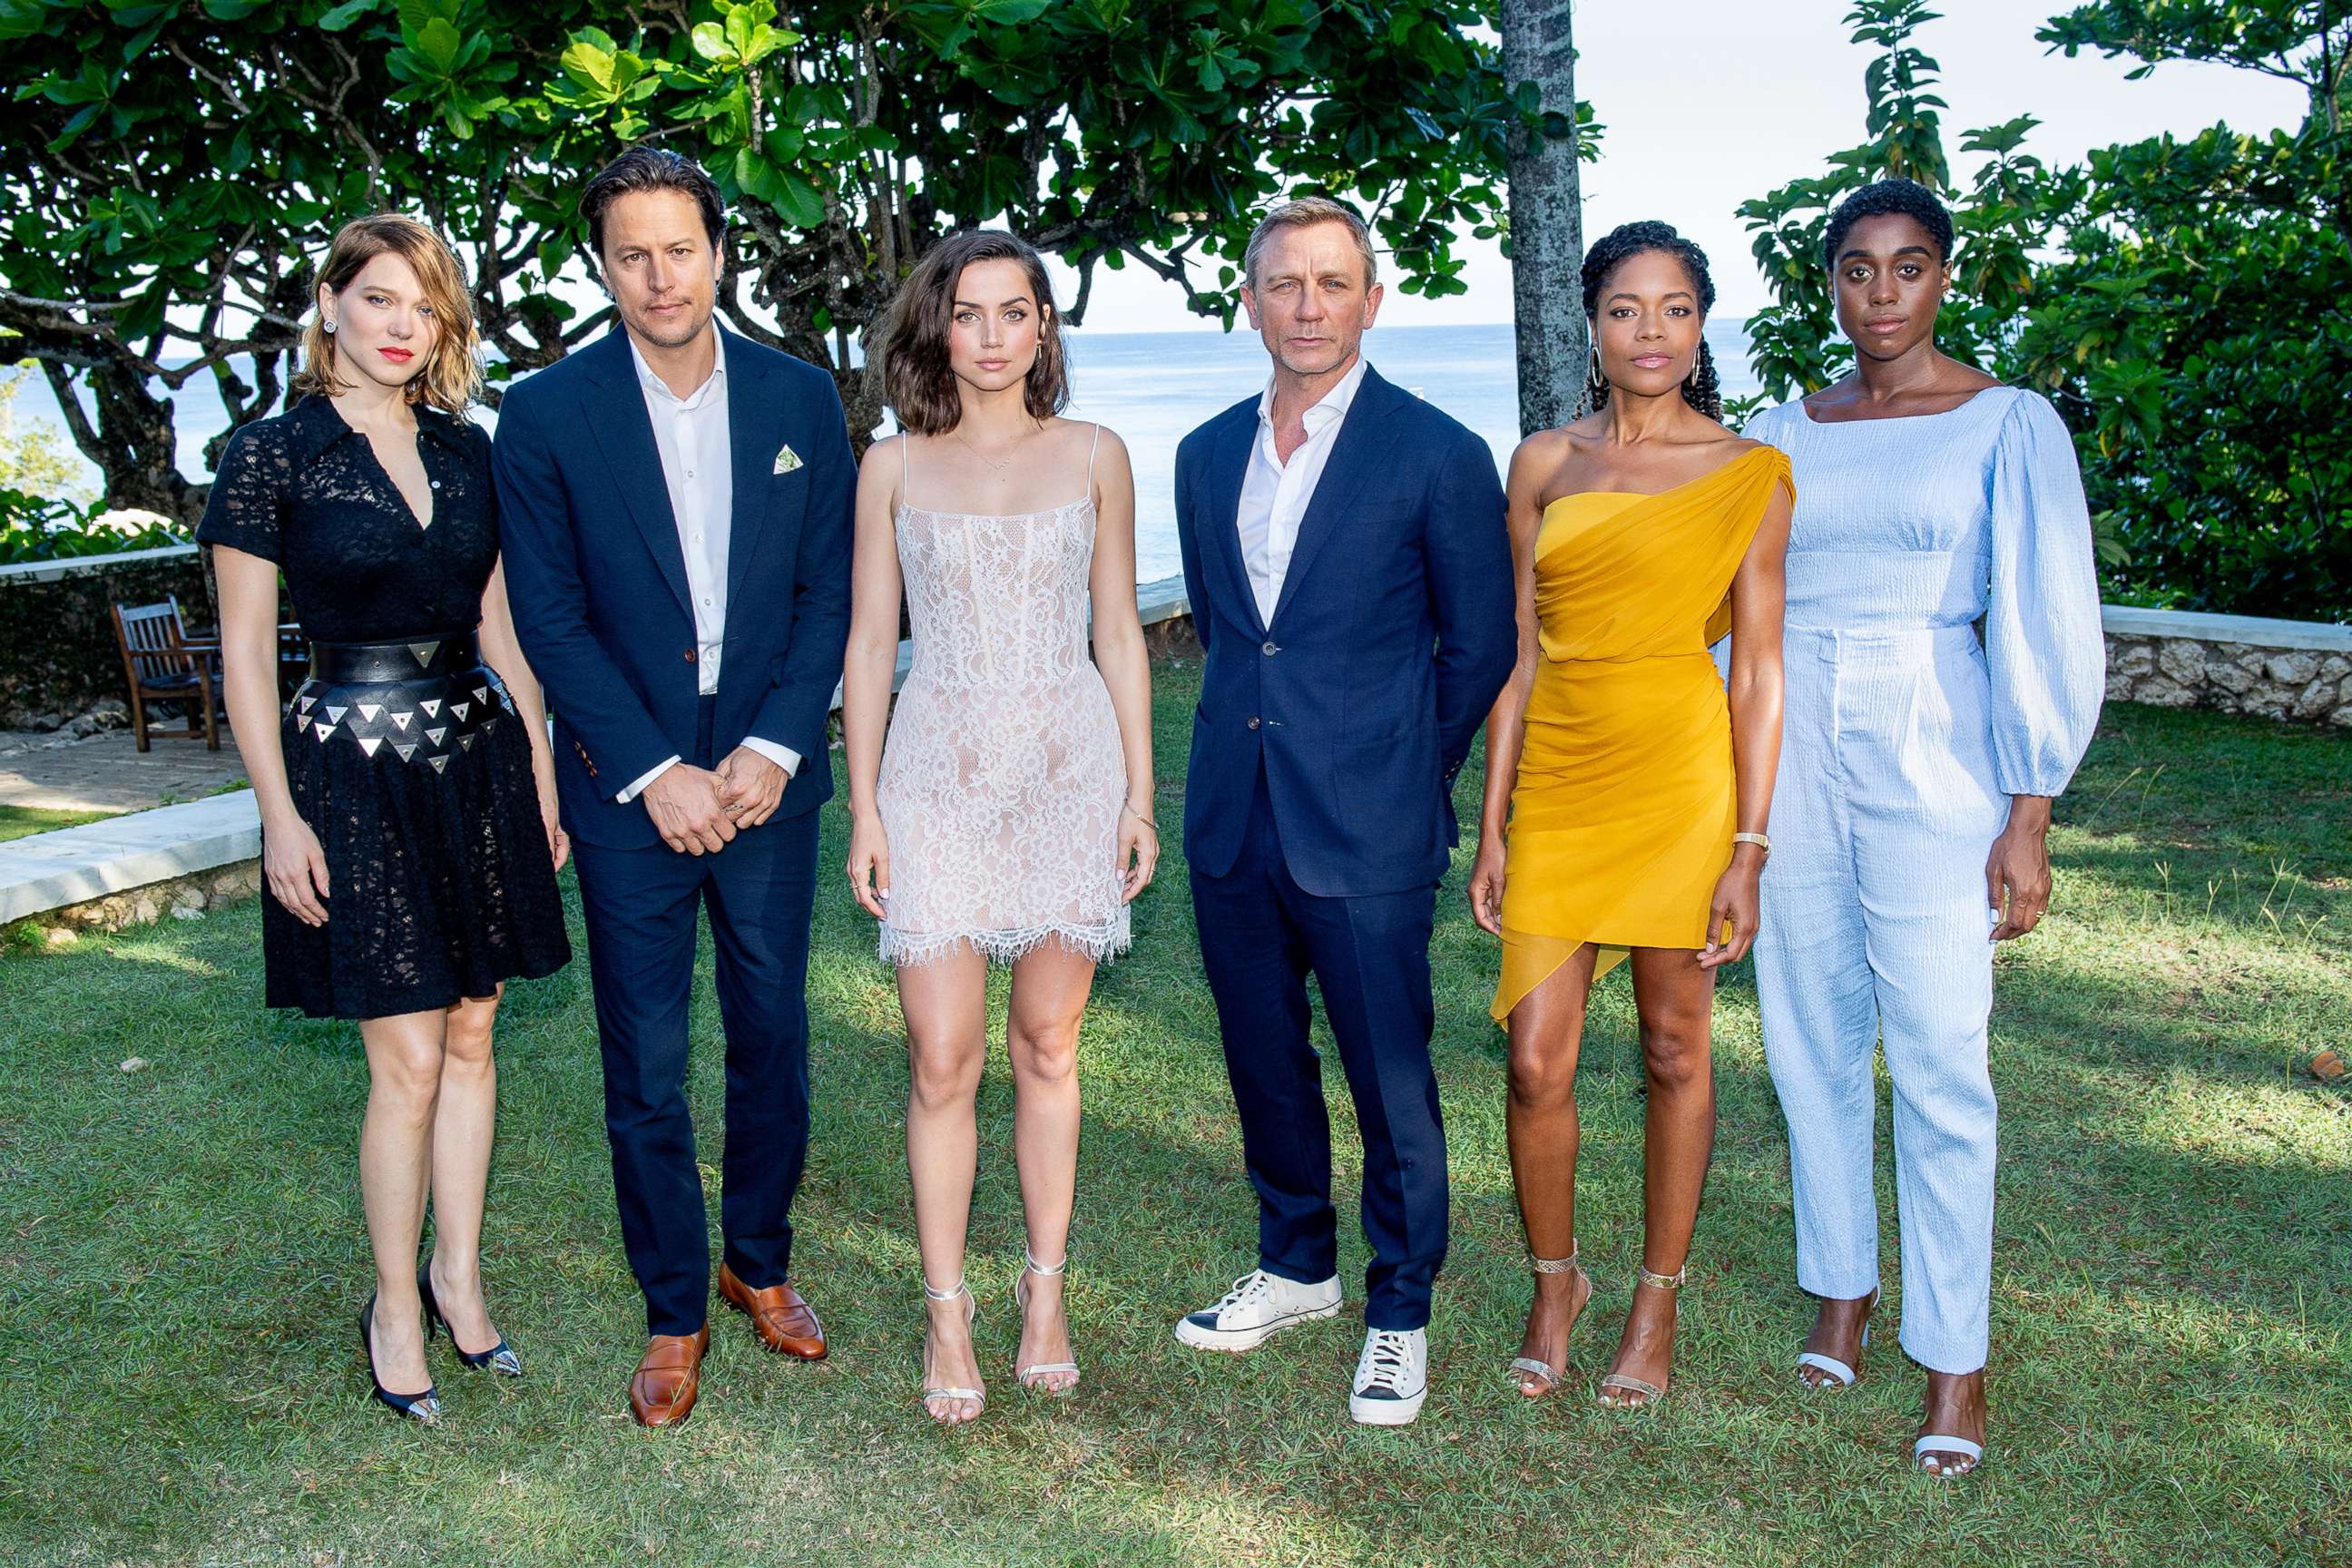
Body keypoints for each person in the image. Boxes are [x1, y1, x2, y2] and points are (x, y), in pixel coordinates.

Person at [1742, 178, 2105, 1476]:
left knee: (1943, 1054)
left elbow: (2047, 610)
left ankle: (1956, 1361)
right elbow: (1737, 606)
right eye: (1856, 269)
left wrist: (2030, 812)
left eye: (1906, 267)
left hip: (1932, 737)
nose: (1880, 294)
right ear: (1829, 284)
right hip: (1795, 749)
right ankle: (1841, 1284)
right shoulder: (1785, 427)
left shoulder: (2007, 424)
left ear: (1945, 277)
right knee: (1810, 1030)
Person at [493, 148, 856, 1428]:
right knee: (644, 1064)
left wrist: (769, 748)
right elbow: (548, 612)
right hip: (628, 787)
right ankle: (671, 1307)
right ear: (604, 263)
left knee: (773, 1038)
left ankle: (757, 1262)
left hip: (766, 780)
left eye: (681, 248)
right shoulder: (543, 414)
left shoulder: (803, 399)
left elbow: (831, 594)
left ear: (719, 252)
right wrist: (652, 772)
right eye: (632, 253)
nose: (660, 275)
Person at [200, 213, 573, 1425]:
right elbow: (249, 657)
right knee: (406, 1059)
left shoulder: (471, 452)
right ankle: (394, 1305)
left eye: (424, 306)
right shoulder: (270, 454)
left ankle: (459, 1280)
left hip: (475, 760)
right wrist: (276, 815)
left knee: (474, 1036)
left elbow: (505, 629)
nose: (403, 326)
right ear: (329, 307)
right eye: (378, 301)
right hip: (348, 768)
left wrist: (546, 772)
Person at [1170, 196, 1514, 1426]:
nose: (1307, 306)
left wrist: (1404, 764)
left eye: (1332, 283)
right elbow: (1229, 631)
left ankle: (1401, 1307)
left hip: (1368, 818)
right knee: (1263, 1056)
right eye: (1284, 283)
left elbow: (1478, 646)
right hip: (1232, 809)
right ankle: (1298, 1263)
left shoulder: (1437, 452)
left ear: (1373, 300)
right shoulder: (1205, 452)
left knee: (1389, 1073)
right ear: (1250, 300)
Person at [1468, 221, 1792, 1412]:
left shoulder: (1749, 472)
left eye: (1674, 309)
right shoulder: (1543, 465)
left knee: (1673, 1046)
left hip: (1680, 778)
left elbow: (1757, 671)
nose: (1649, 332)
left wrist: (1749, 846)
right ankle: (1557, 1285)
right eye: (1624, 309)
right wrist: (1494, 822)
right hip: (1560, 774)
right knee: (1535, 1060)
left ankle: (1656, 1298)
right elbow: (1520, 655)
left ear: (1702, 326)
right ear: (1591, 324)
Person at [841, 230, 1156, 1426]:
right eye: (966, 315)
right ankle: (944, 1310)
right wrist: (866, 805)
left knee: (1048, 1044)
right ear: (938, 329)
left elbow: (1120, 632)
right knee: (942, 1056)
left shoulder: (1095, 454)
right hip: (935, 772)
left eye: (1011, 313)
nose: (988, 336)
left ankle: (1043, 1291)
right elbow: (872, 643)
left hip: (1070, 766)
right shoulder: (891, 467)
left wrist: (1135, 795)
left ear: (1043, 329)